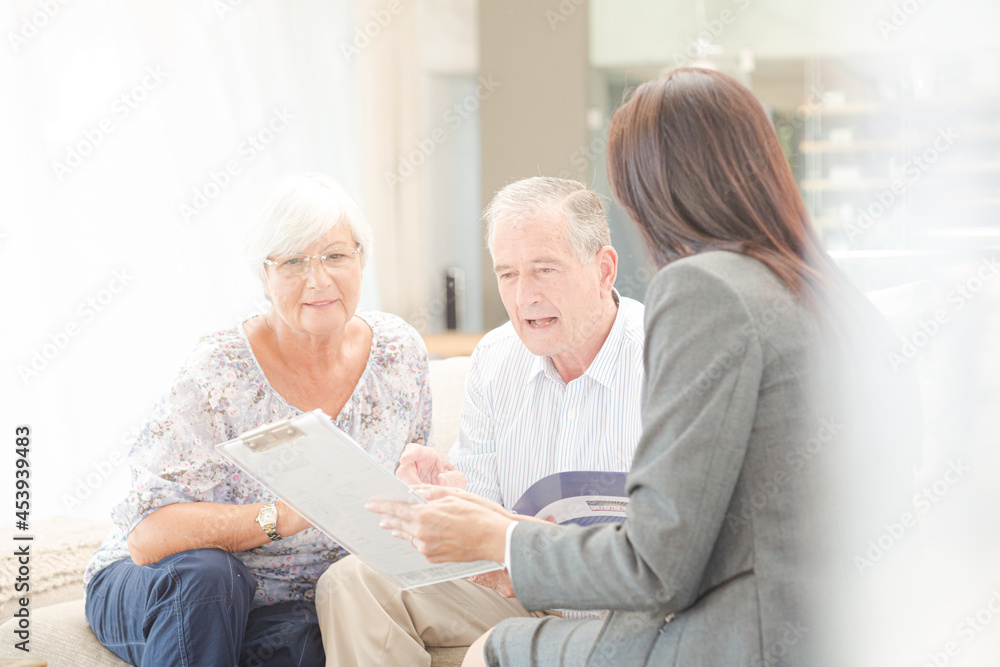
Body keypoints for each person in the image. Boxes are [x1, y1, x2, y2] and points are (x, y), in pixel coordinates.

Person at [369, 68, 919, 666]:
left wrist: (502, 540)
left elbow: (656, 566)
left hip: (742, 637)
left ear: (651, 185)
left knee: (493, 651)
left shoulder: (705, 291)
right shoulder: (827, 294)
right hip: (840, 630)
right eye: (508, 274)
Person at [83, 173, 433, 666]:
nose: (318, 280)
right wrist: (281, 517)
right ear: (263, 276)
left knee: (305, 639)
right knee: (211, 580)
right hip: (163, 582)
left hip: (290, 600)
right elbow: (147, 538)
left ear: (361, 258)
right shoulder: (218, 369)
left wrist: (426, 497)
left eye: (335, 255)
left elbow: (401, 496)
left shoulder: (399, 354)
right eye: (293, 261)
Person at [315, 177, 646, 666]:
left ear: (603, 269)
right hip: (522, 590)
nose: (524, 295)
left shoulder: (665, 357)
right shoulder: (495, 357)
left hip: (630, 605)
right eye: (507, 274)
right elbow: (483, 519)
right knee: (351, 580)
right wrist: (454, 491)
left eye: (544, 269)